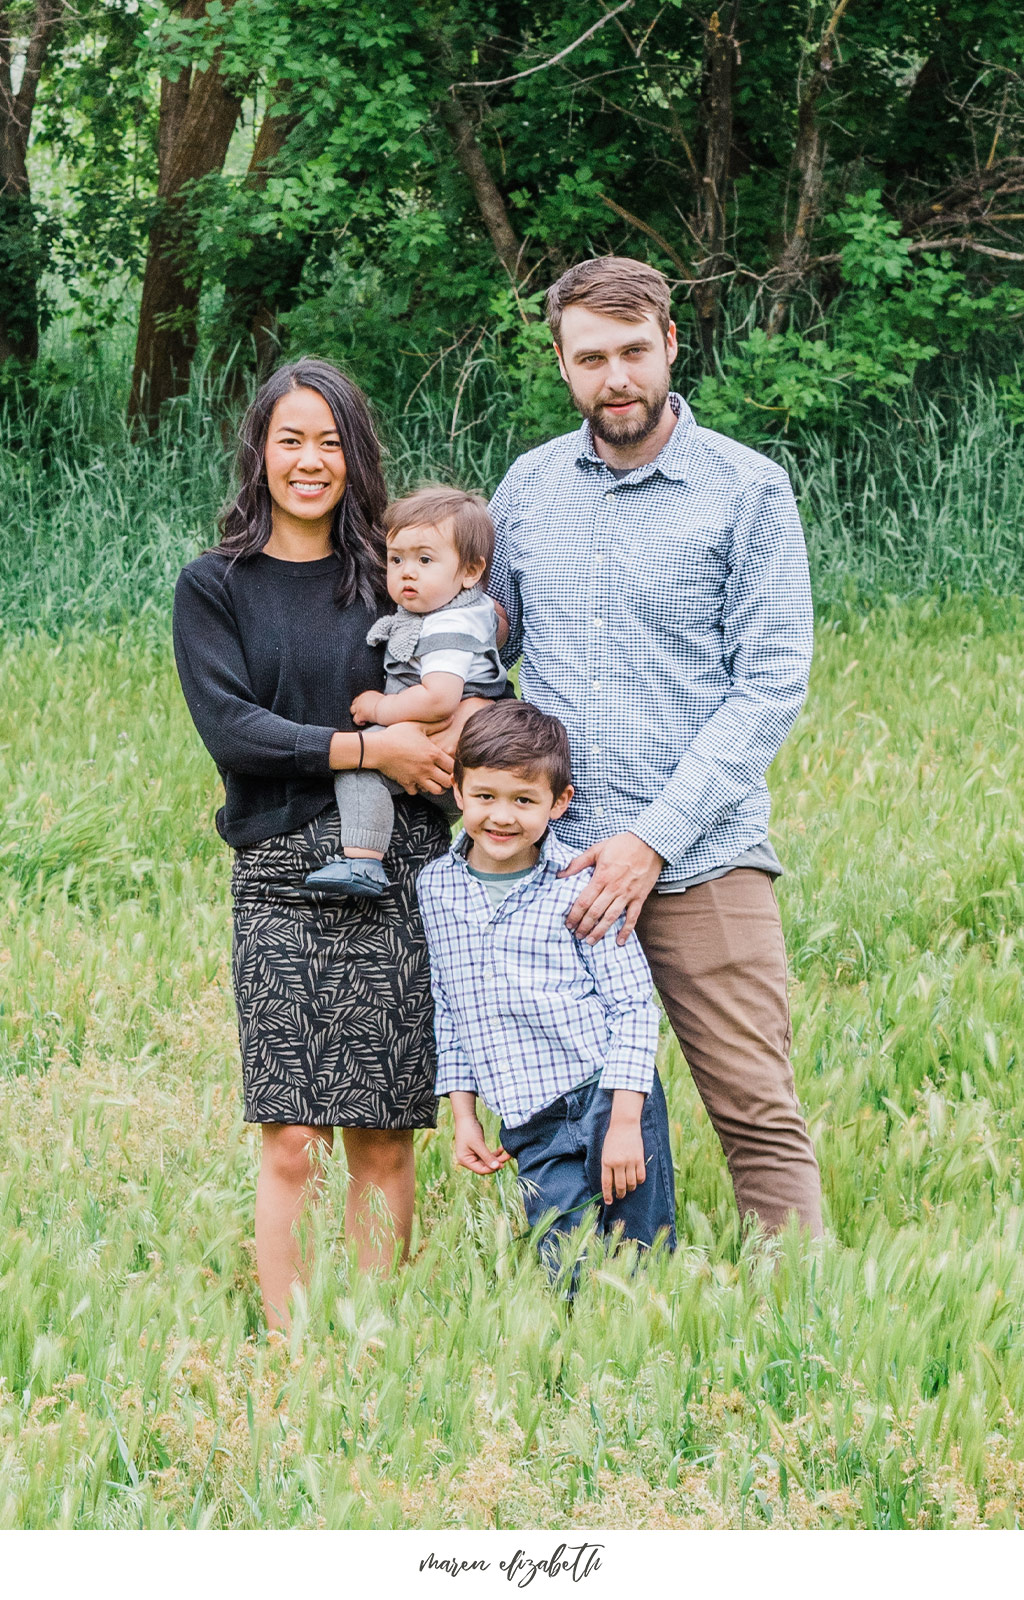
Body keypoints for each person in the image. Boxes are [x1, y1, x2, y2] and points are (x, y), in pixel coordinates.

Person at [488, 256, 824, 1237]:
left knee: (756, 1110)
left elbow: (767, 690)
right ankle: (597, 1308)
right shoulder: (527, 489)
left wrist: (652, 841)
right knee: (568, 1112)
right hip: (554, 871)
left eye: (635, 351)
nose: (616, 377)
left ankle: (801, 1321)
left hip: (702, 856)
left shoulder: (746, 492)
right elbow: (483, 640)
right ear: (561, 363)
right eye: (591, 357)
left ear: (671, 345)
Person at [172, 358, 479, 1329]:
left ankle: (371, 1347)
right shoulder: (214, 585)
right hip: (275, 872)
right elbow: (232, 730)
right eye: (291, 439)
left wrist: (437, 742)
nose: (311, 460)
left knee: (384, 1135)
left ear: (358, 455)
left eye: (331, 441)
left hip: (398, 870)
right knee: (292, 1134)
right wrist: (367, 746)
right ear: (259, 452)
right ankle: (290, 1347)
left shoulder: (395, 576)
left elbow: (470, 687)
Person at [417, 699, 677, 1276]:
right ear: (457, 792)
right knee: (564, 1268)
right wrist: (463, 1115)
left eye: (524, 800)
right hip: (528, 1117)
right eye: (484, 796)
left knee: (642, 1262)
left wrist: (627, 1123)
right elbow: (452, 1007)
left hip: (607, 1096)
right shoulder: (435, 888)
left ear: (559, 802)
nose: (501, 816)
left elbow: (634, 1005)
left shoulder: (580, 889)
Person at [305, 486, 506, 900]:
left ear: (470, 572)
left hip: (448, 745)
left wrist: (381, 706)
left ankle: (363, 861)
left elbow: (439, 699)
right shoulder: (449, 610)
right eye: (396, 559)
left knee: (361, 763)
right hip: (460, 758)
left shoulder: (449, 627)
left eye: (425, 560)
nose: (406, 572)